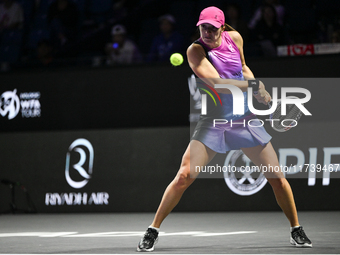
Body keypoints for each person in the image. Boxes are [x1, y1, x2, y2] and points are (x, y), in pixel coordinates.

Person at [137, 6, 312, 252]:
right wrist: (254, 86)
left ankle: (296, 229)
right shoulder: (195, 50)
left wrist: (256, 85)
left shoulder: (236, 38)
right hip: (214, 121)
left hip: (244, 119)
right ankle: (152, 231)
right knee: (184, 176)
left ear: (222, 27)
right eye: (203, 27)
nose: (207, 31)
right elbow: (217, 84)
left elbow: (243, 67)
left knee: (277, 178)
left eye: (212, 27)